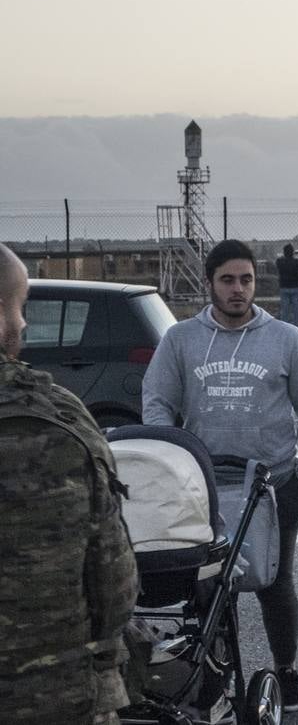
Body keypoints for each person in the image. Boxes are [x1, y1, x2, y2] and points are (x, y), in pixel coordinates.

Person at [141, 238, 298, 714]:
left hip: (273, 482)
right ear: (210, 284)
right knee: (210, 583)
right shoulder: (181, 340)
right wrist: (170, 461)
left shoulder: (286, 339)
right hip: (203, 485)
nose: (238, 289)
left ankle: (285, 670)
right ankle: (216, 670)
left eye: (246, 280)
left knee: (274, 580)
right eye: (228, 280)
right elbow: (158, 401)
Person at [0, 241, 139, 725]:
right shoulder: (54, 417)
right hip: (51, 693)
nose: (23, 324)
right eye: (20, 307)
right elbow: (112, 578)